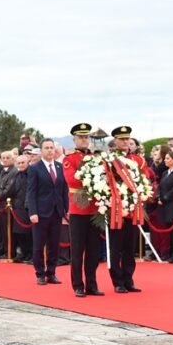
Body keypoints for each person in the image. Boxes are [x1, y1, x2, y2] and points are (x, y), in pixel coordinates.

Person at [63, 123, 104, 297]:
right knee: (78, 251)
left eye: (86, 137)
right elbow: (71, 180)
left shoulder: (96, 156)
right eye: (81, 137)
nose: (84, 140)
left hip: (94, 209)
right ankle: (78, 285)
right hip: (79, 208)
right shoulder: (69, 158)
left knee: (94, 251)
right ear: (74, 139)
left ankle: (92, 284)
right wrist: (91, 178)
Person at [107, 126, 147, 293]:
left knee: (130, 247)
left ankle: (128, 279)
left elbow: (144, 179)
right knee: (116, 247)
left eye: (127, 139)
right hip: (116, 210)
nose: (125, 142)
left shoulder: (138, 160)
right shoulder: (109, 159)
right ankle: (117, 281)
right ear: (115, 141)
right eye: (122, 139)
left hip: (132, 210)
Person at [28, 138, 68, 286]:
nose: (50, 150)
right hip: (40, 212)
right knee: (39, 245)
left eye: (52, 147)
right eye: (47, 148)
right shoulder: (34, 168)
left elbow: (63, 190)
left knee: (54, 245)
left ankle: (51, 272)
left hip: (57, 212)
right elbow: (31, 192)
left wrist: (66, 209)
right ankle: (40, 273)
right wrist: (33, 212)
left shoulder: (59, 167)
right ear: (42, 150)